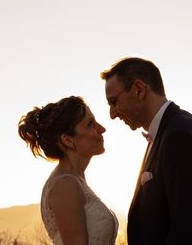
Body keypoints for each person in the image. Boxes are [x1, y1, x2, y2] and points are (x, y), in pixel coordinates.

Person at [101, 57, 192, 245]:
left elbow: (190, 227)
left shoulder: (179, 134)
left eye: (114, 102)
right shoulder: (167, 133)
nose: (112, 114)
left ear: (139, 90)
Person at [18, 96, 118, 245]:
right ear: (68, 140)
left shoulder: (75, 180)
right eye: (90, 124)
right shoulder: (65, 185)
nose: (102, 129)